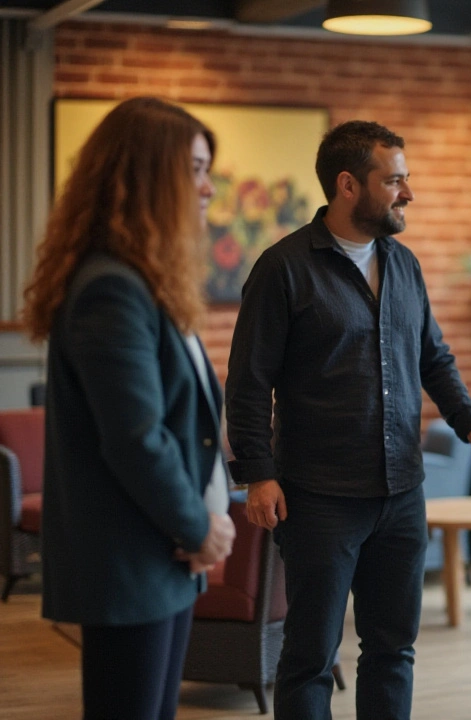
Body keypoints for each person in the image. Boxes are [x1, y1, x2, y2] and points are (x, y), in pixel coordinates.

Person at [225, 120, 471, 720]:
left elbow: (434, 357)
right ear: (348, 185)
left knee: (393, 649)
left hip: (402, 492)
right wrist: (257, 475)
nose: (408, 193)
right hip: (317, 496)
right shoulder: (283, 268)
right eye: (394, 180)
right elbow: (247, 384)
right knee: (311, 656)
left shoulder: (404, 265)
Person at [24, 96, 236, 720]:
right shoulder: (112, 288)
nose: (206, 187)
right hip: (133, 555)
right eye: (195, 169)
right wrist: (198, 528)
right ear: (149, 174)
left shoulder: (140, 278)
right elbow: (136, 437)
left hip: (157, 555)